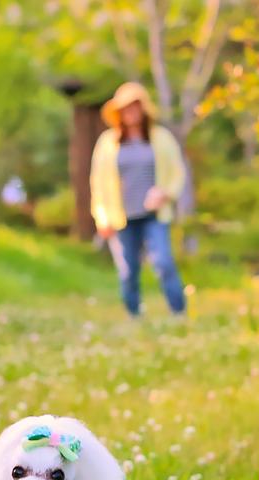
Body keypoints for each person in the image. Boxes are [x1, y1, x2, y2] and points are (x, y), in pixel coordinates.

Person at [89, 82, 187, 317]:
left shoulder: (160, 138)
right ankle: (134, 315)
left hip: (154, 215)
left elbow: (177, 172)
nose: (131, 112)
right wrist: (101, 218)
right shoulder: (108, 142)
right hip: (121, 217)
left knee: (163, 263)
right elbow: (98, 183)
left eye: (135, 106)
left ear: (144, 109)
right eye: (126, 107)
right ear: (119, 112)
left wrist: (165, 193)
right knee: (128, 270)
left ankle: (179, 313)